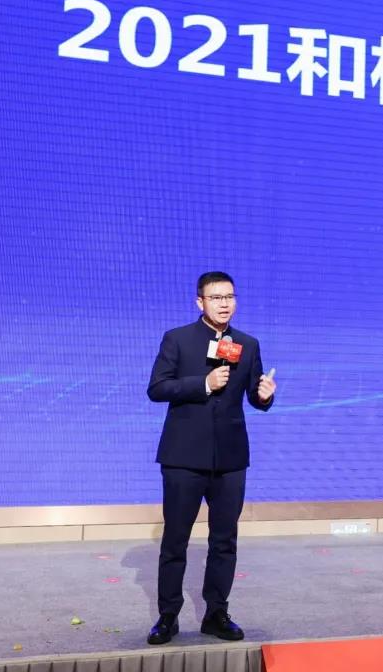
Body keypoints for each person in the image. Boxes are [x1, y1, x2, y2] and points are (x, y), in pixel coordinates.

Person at [145, 271, 277, 645]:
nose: (224, 304)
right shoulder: (178, 339)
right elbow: (157, 388)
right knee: (176, 539)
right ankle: (167, 616)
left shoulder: (247, 344)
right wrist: (203, 384)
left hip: (231, 458)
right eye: (216, 297)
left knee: (224, 540)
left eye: (229, 297)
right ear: (199, 302)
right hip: (183, 457)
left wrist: (264, 395)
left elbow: (253, 395)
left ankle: (216, 613)